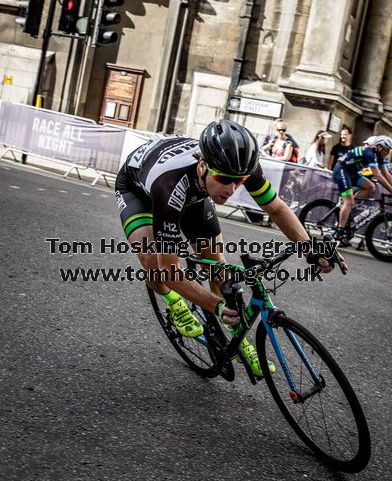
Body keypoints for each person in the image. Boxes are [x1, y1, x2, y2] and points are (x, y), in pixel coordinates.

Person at [115, 119, 342, 377]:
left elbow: (276, 208)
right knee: (155, 264)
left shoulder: (240, 166)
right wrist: (216, 306)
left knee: (217, 269)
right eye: (224, 179)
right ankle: (172, 301)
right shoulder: (168, 185)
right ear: (203, 165)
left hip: (195, 195)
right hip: (138, 191)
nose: (231, 189)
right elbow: (169, 271)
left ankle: (239, 341)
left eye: (239, 181)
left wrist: (311, 249)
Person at [332, 135, 392, 245]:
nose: (388, 153)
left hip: (352, 172)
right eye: (387, 150)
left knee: (370, 187)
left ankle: (348, 207)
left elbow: (386, 174)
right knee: (349, 202)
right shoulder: (370, 152)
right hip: (342, 170)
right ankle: (339, 232)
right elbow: (378, 176)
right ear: (379, 147)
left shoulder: (379, 156)